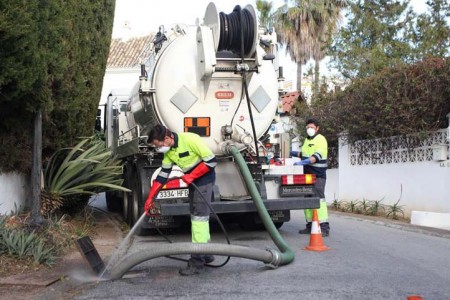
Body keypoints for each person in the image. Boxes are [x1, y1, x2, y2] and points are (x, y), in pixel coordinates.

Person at [144, 124, 217, 275]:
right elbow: (162, 176)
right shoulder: (169, 152)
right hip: (193, 180)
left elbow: (211, 161)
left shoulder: (189, 139)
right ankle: (206, 253)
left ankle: (197, 262)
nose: (159, 149)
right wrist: (150, 198)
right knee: (198, 217)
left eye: (159, 145)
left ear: (167, 138)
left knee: (199, 218)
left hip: (204, 178)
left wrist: (191, 175)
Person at [290, 118, 330, 237]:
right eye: (308, 127)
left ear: (317, 128)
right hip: (307, 175)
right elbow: (304, 155)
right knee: (307, 200)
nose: (309, 129)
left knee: (319, 200)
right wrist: (291, 153)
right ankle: (310, 225)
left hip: (318, 175)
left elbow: (315, 157)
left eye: (312, 127)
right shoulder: (307, 140)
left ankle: (324, 227)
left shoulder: (321, 139)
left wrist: (303, 163)